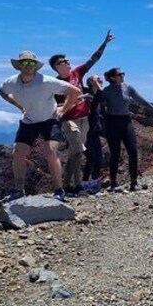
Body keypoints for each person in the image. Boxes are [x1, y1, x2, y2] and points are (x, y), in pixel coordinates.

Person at [0, 51, 81, 202]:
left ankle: (58, 190)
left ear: (36, 66)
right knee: (18, 153)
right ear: (19, 66)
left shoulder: (47, 81)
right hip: (28, 121)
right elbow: (2, 92)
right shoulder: (11, 82)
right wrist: (18, 105)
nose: (28, 66)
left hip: (49, 120)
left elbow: (74, 92)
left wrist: (63, 109)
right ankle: (19, 190)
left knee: (50, 152)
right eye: (25, 63)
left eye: (31, 63)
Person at [49, 30, 114, 196]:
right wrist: (75, 101)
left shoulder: (77, 73)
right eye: (63, 61)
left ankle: (65, 185)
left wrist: (104, 43)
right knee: (77, 149)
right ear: (57, 66)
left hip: (84, 119)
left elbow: (93, 59)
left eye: (67, 60)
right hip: (69, 121)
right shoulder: (55, 84)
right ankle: (77, 185)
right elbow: (56, 106)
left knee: (75, 152)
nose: (68, 62)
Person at [102, 68, 153, 191]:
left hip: (126, 121)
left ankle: (133, 182)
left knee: (133, 150)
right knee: (115, 153)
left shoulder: (128, 88)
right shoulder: (106, 91)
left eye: (123, 73)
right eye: (119, 74)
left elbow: (141, 100)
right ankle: (113, 182)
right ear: (112, 77)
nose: (122, 76)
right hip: (112, 122)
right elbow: (97, 104)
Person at [81, 74, 105, 194]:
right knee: (91, 158)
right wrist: (96, 84)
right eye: (97, 79)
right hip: (86, 132)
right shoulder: (88, 97)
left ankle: (94, 183)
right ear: (91, 82)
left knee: (98, 159)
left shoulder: (95, 95)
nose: (101, 81)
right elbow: (97, 100)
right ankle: (85, 184)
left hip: (94, 131)